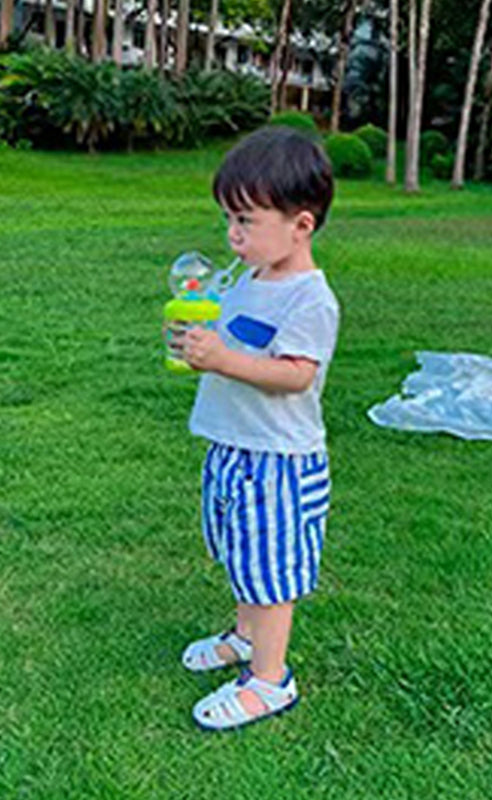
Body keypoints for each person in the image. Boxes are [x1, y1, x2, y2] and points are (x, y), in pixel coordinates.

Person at [176, 125, 339, 731]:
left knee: (272, 571)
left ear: (301, 224)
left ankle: (270, 681)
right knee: (244, 556)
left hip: (277, 459)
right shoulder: (251, 279)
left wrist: (221, 359)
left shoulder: (310, 299)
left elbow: (295, 375)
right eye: (228, 219)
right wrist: (198, 334)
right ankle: (246, 638)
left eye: (246, 220)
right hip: (235, 445)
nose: (233, 235)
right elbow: (230, 332)